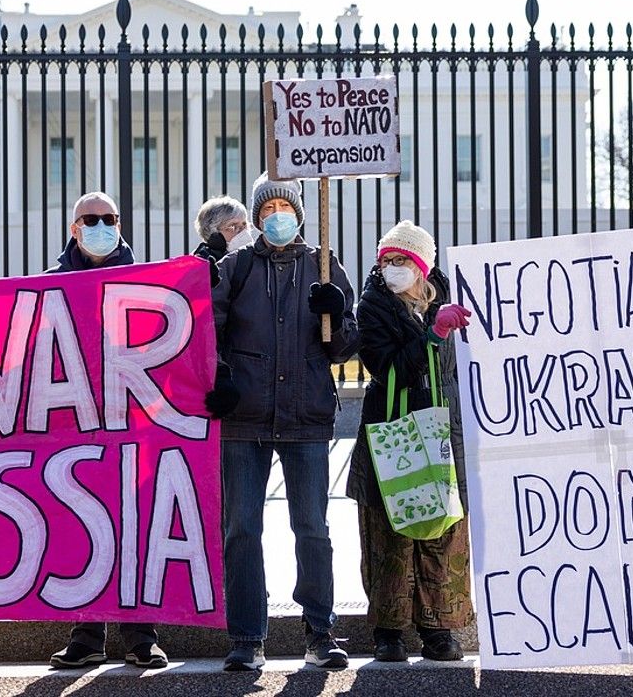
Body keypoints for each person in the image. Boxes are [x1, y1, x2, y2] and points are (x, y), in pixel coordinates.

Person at [209, 172, 360, 671]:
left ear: (299, 212)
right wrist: (222, 378)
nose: (278, 217)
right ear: (255, 218)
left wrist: (336, 315)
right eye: (267, 209)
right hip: (244, 418)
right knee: (241, 529)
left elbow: (342, 347)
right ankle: (247, 638)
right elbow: (209, 330)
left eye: (285, 207)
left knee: (313, 527)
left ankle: (320, 632)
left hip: (306, 416)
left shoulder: (324, 265)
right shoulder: (237, 267)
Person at [46, 191, 166, 670]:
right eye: (90, 219)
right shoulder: (50, 284)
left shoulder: (147, 281)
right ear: (74, 229)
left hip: (133, 419)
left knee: (134, 526)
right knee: (81, 527)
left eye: (108, 218)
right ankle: (86, 633)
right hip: (74, 421)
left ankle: (141, 636)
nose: (100, 225)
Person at [345, 221, 474, 662]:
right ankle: (389, 631)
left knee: (443, 531)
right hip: (392, 432)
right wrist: (432, 336)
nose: (391, 269)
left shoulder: (453, 297)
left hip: (442, 434)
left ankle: (439, 629)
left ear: (422, 267)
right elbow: (386, 366)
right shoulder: (373, 307)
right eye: (386, 261)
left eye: (401, 261)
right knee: (389, 536)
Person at [192, 195, 254, 264]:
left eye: (244, 225)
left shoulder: (258, 259)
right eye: (233, 226)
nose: (242, 231)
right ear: (214, 233)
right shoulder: (201, 263)